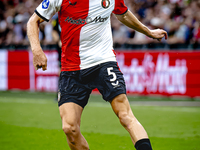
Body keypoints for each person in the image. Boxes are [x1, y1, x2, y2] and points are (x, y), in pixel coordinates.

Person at [27, 0, 167, 150]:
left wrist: (148, 32)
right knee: (69, 128)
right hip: (71, 69)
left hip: (103, 62)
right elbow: (33, 21)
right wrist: (37, 50)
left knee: (125, 116)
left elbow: (123, 14)